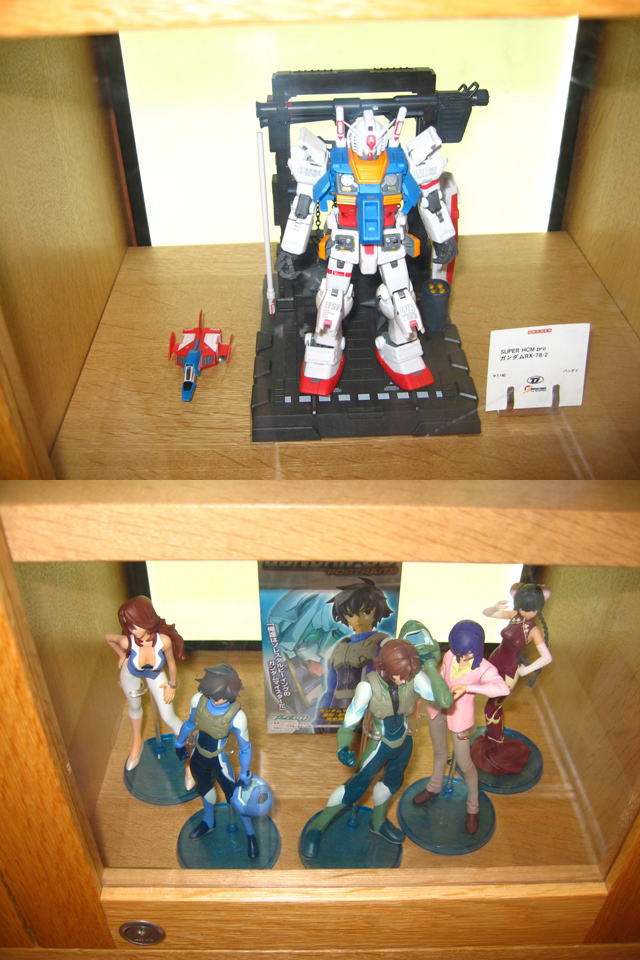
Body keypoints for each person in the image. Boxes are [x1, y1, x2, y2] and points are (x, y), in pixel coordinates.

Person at [302, 638, 453, 858]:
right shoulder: (367, 687)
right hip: (379, 745)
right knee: (354, 788)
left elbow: (445, 701)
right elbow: (349, 722)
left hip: (404, 741)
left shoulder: (412, 676)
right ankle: (317, 827)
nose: (405, 680)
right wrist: (343, 747)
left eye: (408, 675)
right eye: (400, 675)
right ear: (386, 668)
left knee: (392, 783)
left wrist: (430, 666)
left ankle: (378, 821)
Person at [413, 620, 509, 833]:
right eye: (459, 653)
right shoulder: (450, 655)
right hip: (438, 709)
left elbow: (502, 688)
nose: (463, 657)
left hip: (460, 719)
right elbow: (441, 677)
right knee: (439, 753)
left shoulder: (485, 668)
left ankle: (473, 806)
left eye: (467, 653)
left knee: (465, 765)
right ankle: (434, 786)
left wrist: (468, 688)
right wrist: (425, 694)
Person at [105, 595, 193, 789]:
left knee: (169, 717)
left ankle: (190, 761)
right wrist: (122, 656)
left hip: (156, 675)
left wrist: (172, 685)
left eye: (134, 624)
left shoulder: (163, 641)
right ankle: (137, 742)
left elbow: (171, 664)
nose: (131, 629)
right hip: (130, 673)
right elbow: (108, 638)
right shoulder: (128, 642)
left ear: (145, 619)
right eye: (128, 625)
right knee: (135, 707)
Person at [175, 664, 259, 860]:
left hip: (219, 760)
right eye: (212, 693)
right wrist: (179, 743)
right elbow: (190, 724)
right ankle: (208, 821)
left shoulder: (237, 717)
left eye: (219, 695)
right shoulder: (198, 700)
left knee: (235, 799)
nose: (215, 699)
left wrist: (245, 772)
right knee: (205, 791)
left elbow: (245, 747)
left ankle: (250, 834)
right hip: (198, 756)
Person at [470, 582, 552, 776]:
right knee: (489, 702)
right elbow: (487, 613)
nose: (526, 612)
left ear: (538, 609)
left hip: (509, 670)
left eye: (531, 609)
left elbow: (547, 657)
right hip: (495, 660)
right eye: (523, 608)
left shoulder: (533, 631)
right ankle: (492, 739)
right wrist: (495, 607)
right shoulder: (515, 616)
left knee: (492, 707)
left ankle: (495, 743)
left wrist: (525, 670)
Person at [315, 578, 392, 728]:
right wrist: (320, 720)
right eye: (350, 614)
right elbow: (330, 689)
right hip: (337, 709)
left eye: (366, 611)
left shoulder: (382, 643)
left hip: (367, 711)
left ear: (377, 610)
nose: (357, 619)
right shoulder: (340, 647)